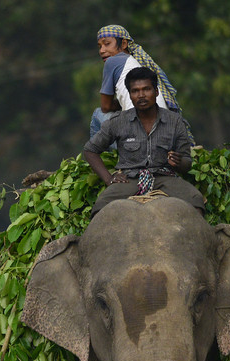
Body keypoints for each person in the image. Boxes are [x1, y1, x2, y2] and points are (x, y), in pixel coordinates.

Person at [84, 67, 204, 217]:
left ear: (156, 92)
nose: (141, 95)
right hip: (129, 180)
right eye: (135, 91)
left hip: (165, 178)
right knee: (100, 207)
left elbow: (187, 162)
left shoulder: (175, 121)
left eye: (146, 89)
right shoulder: (118, 121)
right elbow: (90, 150)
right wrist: (109, 179)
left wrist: (179, 163)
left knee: (196, 200)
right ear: (130, 95)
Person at [90, 24, 194, 145]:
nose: (102, 50)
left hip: (136, 140)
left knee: (98, 113)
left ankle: (99, 155)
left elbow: (106, 107)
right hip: (165, 138)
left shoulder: (113, 62)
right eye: (100, 46)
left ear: (123, 44)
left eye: (107, 44)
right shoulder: (137, 64)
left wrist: (119, 106)